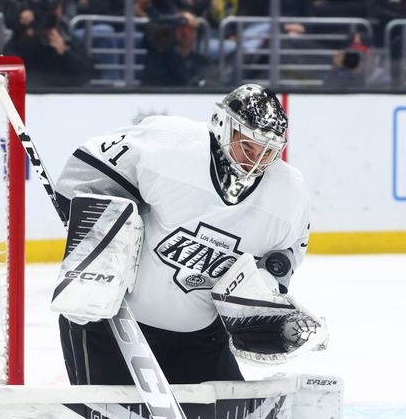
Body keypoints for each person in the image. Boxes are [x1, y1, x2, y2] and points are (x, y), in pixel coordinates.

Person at [53, 84, 315, 385]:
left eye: (267, 151)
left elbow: (284, 257)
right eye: (248, 146)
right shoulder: (169, 144)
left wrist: (262, 297)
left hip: (202, 339)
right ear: (223, 126)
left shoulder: (289, 194)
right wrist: (99, 239)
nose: (255, 161)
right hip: (109, 329)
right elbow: (84, 172)